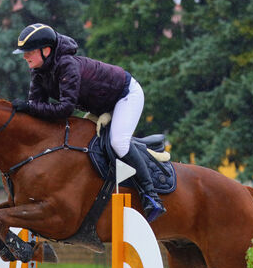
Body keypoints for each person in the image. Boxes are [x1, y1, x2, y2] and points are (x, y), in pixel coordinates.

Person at [12, 23, 166, 222]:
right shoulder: (39, 71)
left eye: (29, 51)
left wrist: (29, 107)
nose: (25, 56)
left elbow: (65, 110)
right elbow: (36, 107)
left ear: (46, 50)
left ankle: (151, 196)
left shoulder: (67, 65)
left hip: (125, 95)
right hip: (100, 104)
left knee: (118, 143)